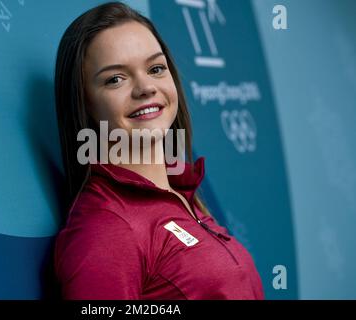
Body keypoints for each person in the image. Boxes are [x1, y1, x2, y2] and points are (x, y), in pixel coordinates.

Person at [53, 1, 264, 300]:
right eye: (116, 79)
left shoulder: (183, 194)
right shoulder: (107, 229)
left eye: (155, 68)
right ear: (84, 103)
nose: (145, 87)